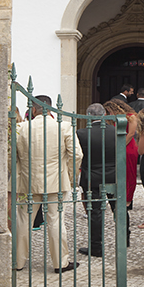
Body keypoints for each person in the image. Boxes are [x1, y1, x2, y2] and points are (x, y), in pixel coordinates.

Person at [13, 95, 82, 273]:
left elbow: (11, 156)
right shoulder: (64, 126)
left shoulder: (21, 127)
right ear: (50, 109)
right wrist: (69, 175)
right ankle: (60, 263)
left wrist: (17, 173)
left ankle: (18, 262)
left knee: (23, 221)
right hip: (56, 181)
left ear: (33, 109)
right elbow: (77, 155)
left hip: (27, 181)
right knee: (56, 221)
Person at [76, 102, 121, 258]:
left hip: (91, 177)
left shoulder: (81, 133)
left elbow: (79, 155)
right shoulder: (115, 131)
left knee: (95, 212)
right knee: (118, 208)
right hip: (113, 174)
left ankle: (96, 247)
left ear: (88, 116)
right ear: (104, 115)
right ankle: (124, 238)